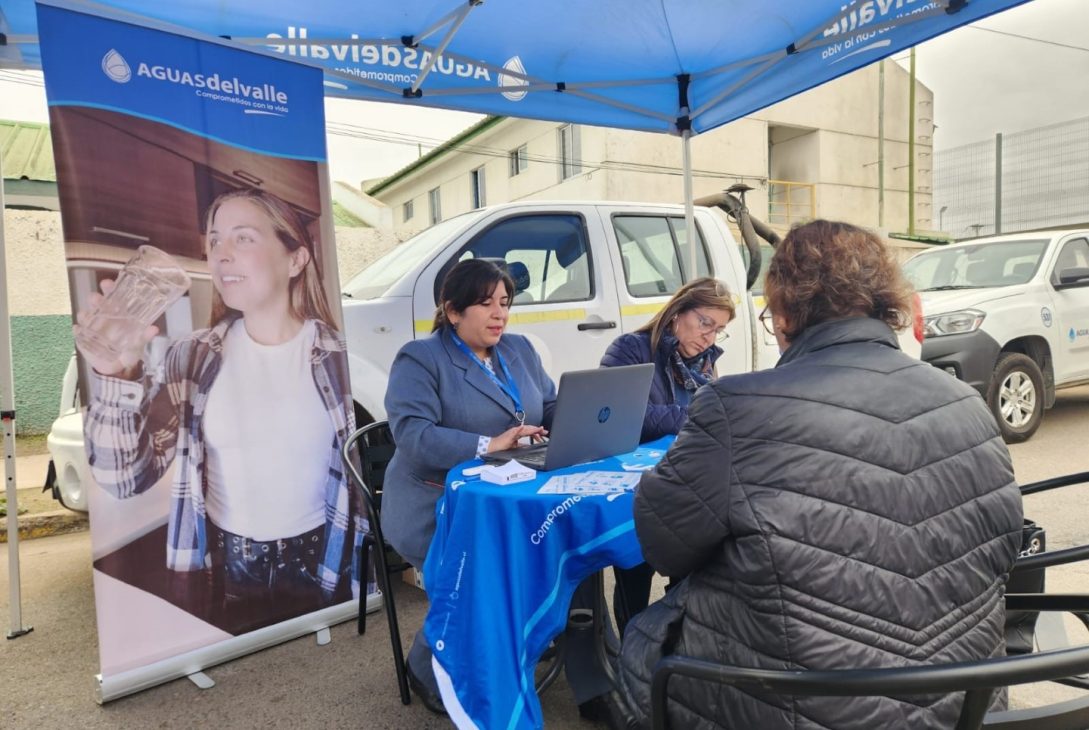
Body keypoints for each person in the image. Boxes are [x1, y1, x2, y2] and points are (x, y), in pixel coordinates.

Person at [617, 220, 1024, 729]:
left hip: (794, 703)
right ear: (885, 303)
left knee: (646, 635)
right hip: (963, 702)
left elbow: (664, 546)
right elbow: (1005, 544)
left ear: (785, 313)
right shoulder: (968, 403)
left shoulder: (734, 407)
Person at [81, 187, 358, 634]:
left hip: (324, 558)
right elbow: (124, 478)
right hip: (227, 568)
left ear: (296, 260)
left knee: (324, 666)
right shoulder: (192, 357)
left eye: (243, 238)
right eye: (214, 241)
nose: (221, 254)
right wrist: (117, 375)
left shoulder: (339, 356)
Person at [382, 258, 553, 714]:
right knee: (483, 571)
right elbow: (413, 435)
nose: (500, 314)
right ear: (453, 311)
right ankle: (424, 664)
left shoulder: (520, 350)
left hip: (509, 494)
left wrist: (573, 422)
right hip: (434, 501)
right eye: (485, 304)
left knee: (553, 546)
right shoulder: (421, 358)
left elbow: (550, 404)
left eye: (505, 302)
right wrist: (488, 444)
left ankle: (533, 635)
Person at [600, 278, 734, 633]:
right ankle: (631, 645)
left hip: (685, 485)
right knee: (634, 576)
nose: (710, 337)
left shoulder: (705, 364)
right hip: (633, 487)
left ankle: (672, 643)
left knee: (690, 580)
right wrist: (693, 416)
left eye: (718, 330)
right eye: (705, 323)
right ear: (677, 312)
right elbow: (620, 415)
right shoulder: (630, 349)